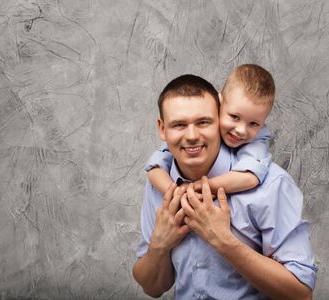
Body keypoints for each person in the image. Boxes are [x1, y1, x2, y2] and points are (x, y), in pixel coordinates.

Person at [132, 74, 317, 299]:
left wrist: (224, 241)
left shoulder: (271, 185)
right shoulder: (160, 185)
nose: (191, 136)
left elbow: (301, 295)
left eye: (203, 122)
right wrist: (158, 246)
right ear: (163, 129)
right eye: (179, 124)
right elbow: (153, 288)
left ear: (219, 118)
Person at [145, 64, 274, 196]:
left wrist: (200, 187)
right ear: (219, 104)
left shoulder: (258, 139)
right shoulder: (196, 132)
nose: (241, 130)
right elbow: (156, 165)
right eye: (234, 117)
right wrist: (176, 194)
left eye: (254, 123)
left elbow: (250, 177)